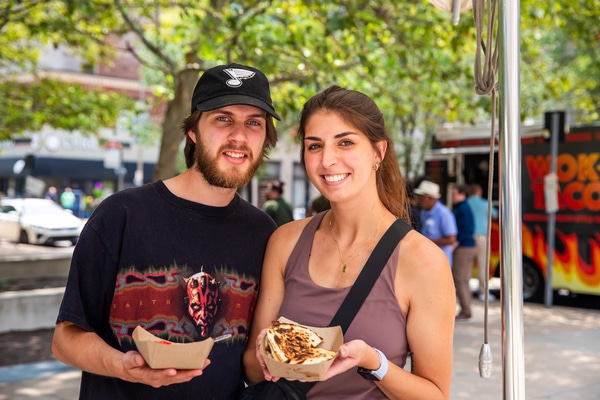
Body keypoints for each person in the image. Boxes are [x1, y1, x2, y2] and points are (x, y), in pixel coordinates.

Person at [52, 63, 281, 399]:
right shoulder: (122, 216)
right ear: (193, 131)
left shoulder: (264, 233)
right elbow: (65, 340)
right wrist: (122, 365)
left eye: (254, 123)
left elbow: (249, 360)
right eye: (223, 118)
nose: (239, 136)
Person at [243, 86, 455, 399]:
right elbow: (251, 366)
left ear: (378, 152)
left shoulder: (422, 260)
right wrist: (270, 352)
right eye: (315, 146)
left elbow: (435, 394)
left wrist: (374, 363)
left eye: (345, 142)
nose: (328, 160)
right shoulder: (285, 242)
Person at [467, 183, 499, 301]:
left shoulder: (466, 203)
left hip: (469, 237)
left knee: (467, 265)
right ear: (479, 192)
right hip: (481, 237)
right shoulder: (485, 204)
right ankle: (482, 292)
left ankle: (466, 291)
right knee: (482, 264)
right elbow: (495, 215)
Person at [414, 180, 457, 267]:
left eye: (421, 196)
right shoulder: (423, 212)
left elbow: (451, 239)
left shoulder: (444, 214)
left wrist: (427, 242)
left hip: (440, 261)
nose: (419, 199)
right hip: (426, 259)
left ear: (430, 198)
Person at [451, 184, 477, 321]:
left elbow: (465, 229)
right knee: (465, 280)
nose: (452, 196)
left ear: (462, 194)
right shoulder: (463, 207)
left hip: (463, 247)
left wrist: (456, 243)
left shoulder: (462, 209)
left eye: (454, 193)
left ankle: (465, 309)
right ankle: (467, 308)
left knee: (460, 279)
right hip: (468, 245)